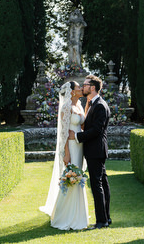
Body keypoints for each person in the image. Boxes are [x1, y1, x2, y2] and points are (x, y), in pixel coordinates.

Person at [40, 81, 89, 230]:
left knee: (78, 175)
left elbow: (82, 125)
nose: (81, 88)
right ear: (72, 92)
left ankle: (79, 214)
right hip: (72, 147)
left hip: (80, 145)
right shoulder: (66, 107)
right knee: (72, 175)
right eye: (78, 87)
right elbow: (63, 134)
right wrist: (66, 153)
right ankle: (65, 215)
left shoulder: (80, 105)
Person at [69, 74, 111, 229]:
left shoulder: (100, 105)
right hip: (96, 151)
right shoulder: (93, 104)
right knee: (103, 185)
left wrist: (77, 136)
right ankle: (106, 218)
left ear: (92, 87)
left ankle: (101, 221)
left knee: (97, 185)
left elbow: (96, 131)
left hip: (96, 151)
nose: (83, 86)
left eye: (85, 84)